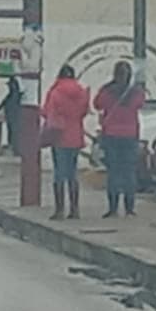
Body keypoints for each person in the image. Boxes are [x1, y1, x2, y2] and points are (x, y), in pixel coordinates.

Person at [93, 60, 146, 218]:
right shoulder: (135, 92)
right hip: (130, 136)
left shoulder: (107, 90)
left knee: (113, 172)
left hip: (111, 135)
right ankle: (129, 209)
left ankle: (113, 208)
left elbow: (97, 104)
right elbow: (140, 103)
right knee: (129, 172)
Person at [40, 65, 89, 220]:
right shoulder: (81, 92)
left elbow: (46, 111)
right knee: (72, 173)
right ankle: (75, 210)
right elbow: (84, 111)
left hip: (59, 136)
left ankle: (59, 210)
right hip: (75, 135)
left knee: (59, 173)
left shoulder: (56, 91)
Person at [0, 75, 24, 157]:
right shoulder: (14, 94)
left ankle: (15, 148)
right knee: (12, 131)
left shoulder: (14, 95)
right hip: (11, 115)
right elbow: (3, 103)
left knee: (13, 131)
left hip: (13, 115)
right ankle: (13, 148)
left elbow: (4, 103)